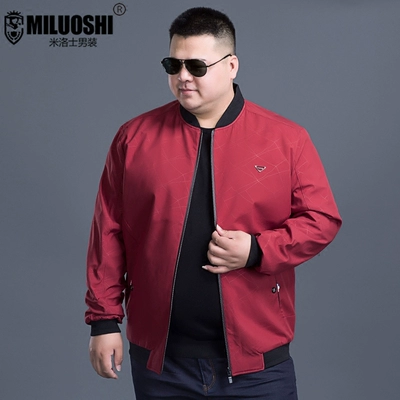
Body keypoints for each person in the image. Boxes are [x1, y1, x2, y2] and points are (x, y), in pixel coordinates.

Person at [85, 7, 342, 399]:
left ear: (232, 65)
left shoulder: (286, 139)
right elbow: (108, 231)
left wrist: (257, 250)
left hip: (258, 364)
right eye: (173, 65)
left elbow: (322, 219)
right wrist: (103, 321)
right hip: (162, 364)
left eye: (196, 66)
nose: (183, 77)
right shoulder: (133, 138)